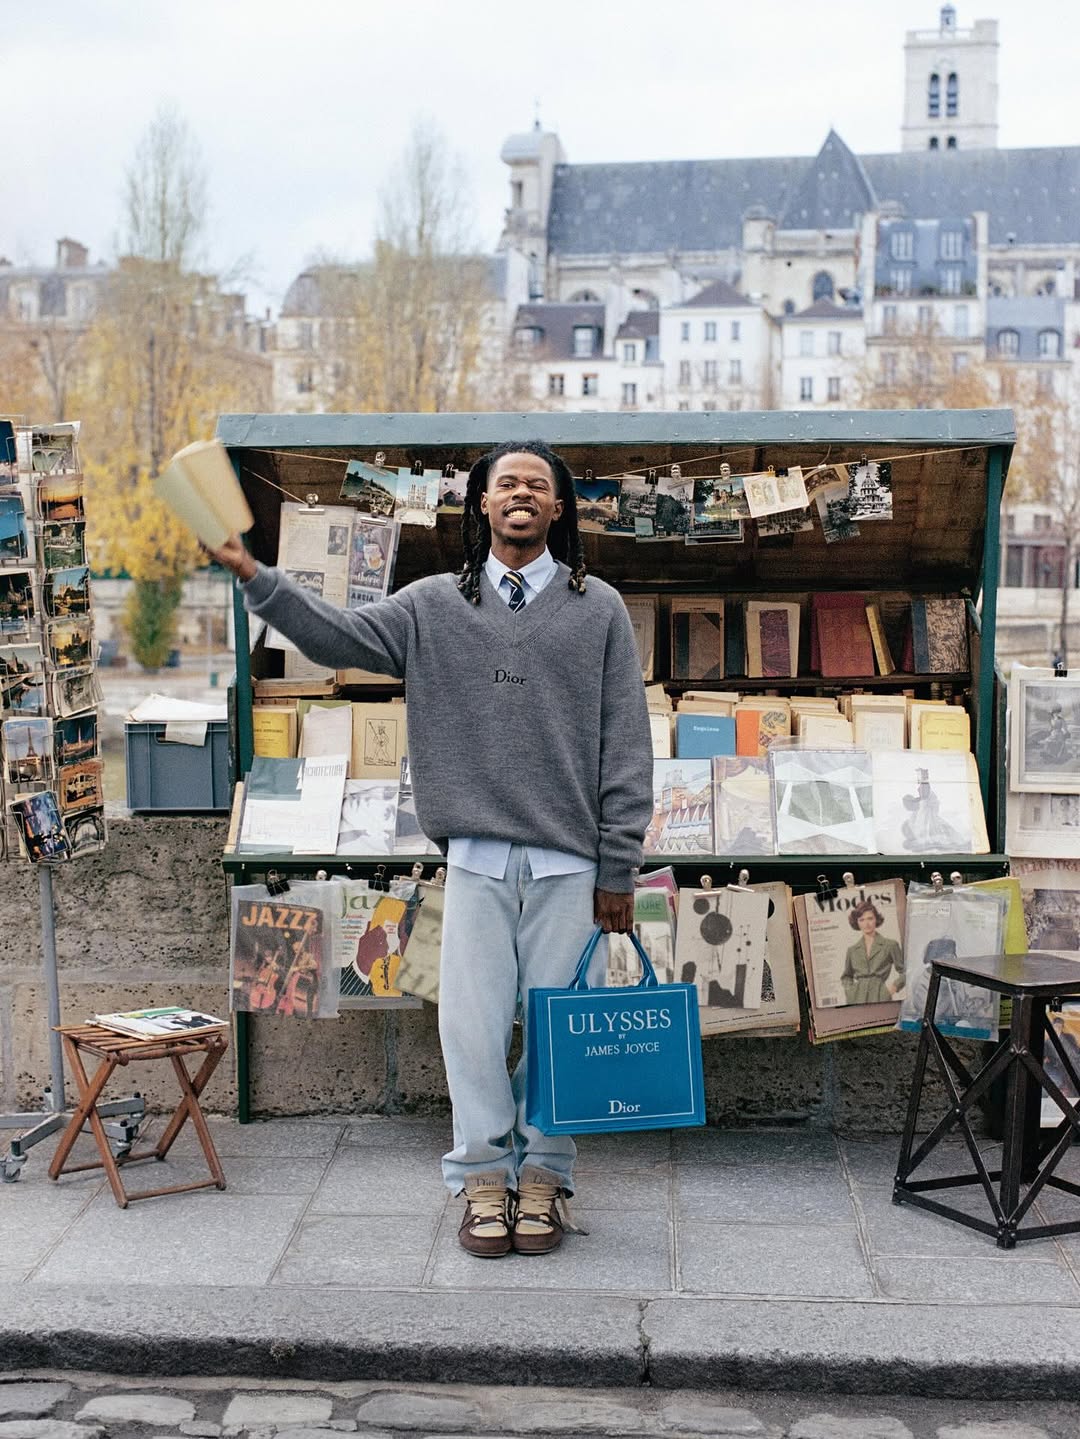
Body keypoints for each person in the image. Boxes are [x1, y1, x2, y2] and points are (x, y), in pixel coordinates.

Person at [211, 439, 653, 1259]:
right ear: (480, 504)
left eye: (538, 484)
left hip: (571, 866)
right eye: (505, 483)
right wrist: (254, 575)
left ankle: (547, 1175)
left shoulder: (600, 611)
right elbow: (337, 636)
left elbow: (626, 747)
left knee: (557, 1033)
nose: (521, 494)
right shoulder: (429, 608)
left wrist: (618, 865)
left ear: (560, 508)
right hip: (477, 859)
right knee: (472, 1031)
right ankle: (484, 1177)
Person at [840, 900, 903, 1005]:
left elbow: (905, 971)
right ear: (857, 922)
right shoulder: (852, 950)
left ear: (876, 920)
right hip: (856, 998)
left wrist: (893, 987)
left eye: (870, 918)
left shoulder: (890, 945)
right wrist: (849, 991)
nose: (866, 923)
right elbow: (846, 976)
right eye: (862, 920)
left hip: (880, 995)